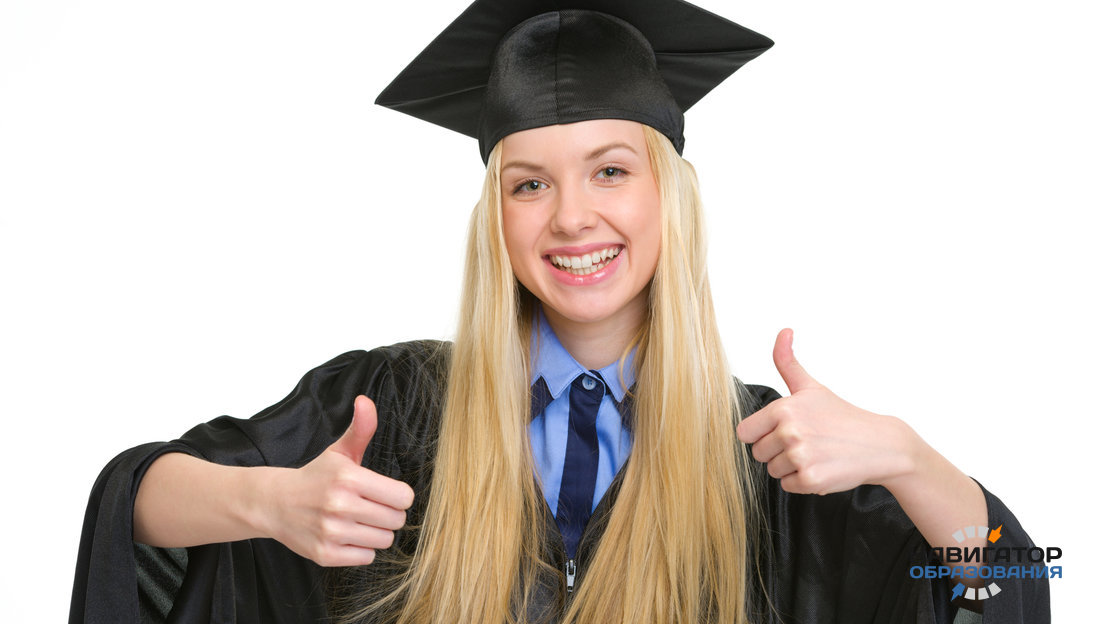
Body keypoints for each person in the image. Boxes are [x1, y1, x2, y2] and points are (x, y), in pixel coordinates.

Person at [69, 1, 1050, 622]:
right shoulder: (389, 405)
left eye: (610, 171)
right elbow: (137, 506)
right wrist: (267, 504)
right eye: (529, 183)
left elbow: (1009, 582)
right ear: (495, 214)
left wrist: (909, 460)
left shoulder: (773, 460)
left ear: (669, 195)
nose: (571, 215)